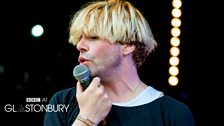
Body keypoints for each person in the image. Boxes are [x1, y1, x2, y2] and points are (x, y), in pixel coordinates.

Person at [44, 0, 195, 126]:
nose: (79, 45)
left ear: (128, 45)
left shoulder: (172, 113)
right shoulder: (63, 102)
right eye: (80, 38)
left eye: (93, 37)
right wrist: (86, 119)